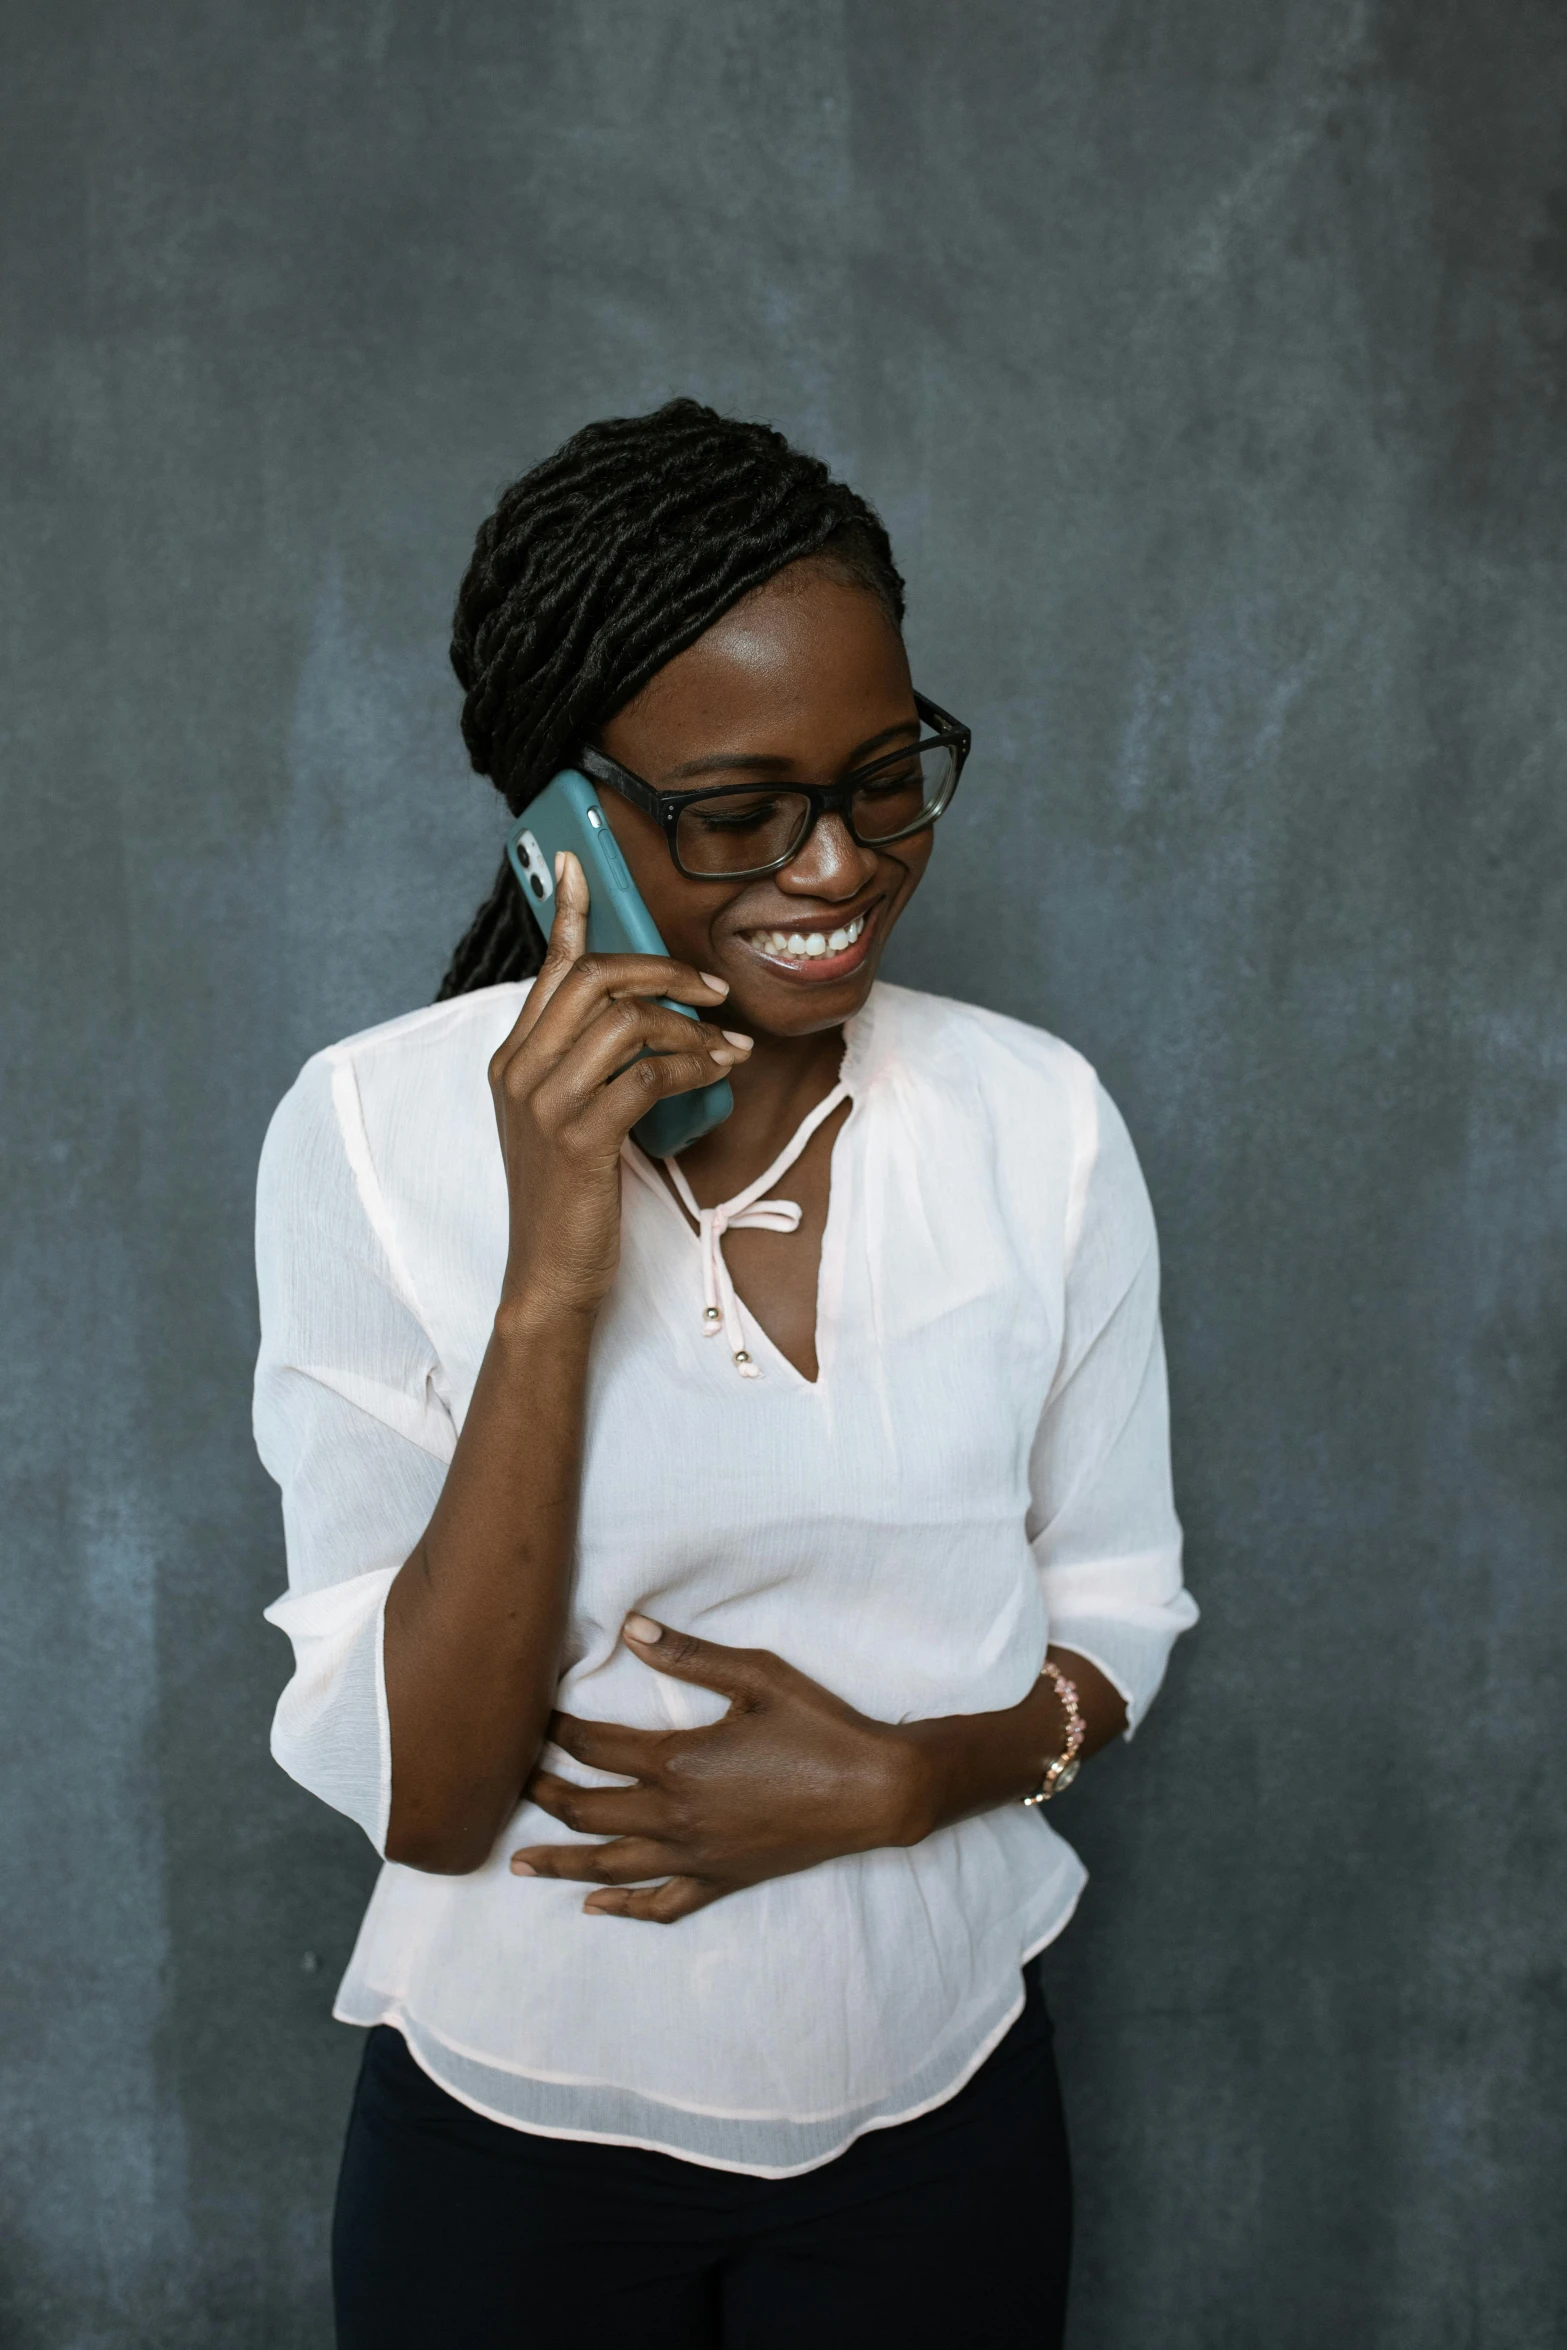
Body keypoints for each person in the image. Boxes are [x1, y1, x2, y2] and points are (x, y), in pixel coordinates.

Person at [254, 398, 1197, 2349]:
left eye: (887, 776)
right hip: (516, 2135)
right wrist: (550, 1259)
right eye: (739, 807)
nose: (839, 863)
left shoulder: (1043, 1124)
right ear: (565, 819)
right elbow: (430, 1792)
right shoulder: (363, 1130)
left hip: (941, 2097)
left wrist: (905, 1776)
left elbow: (1117, 1600)